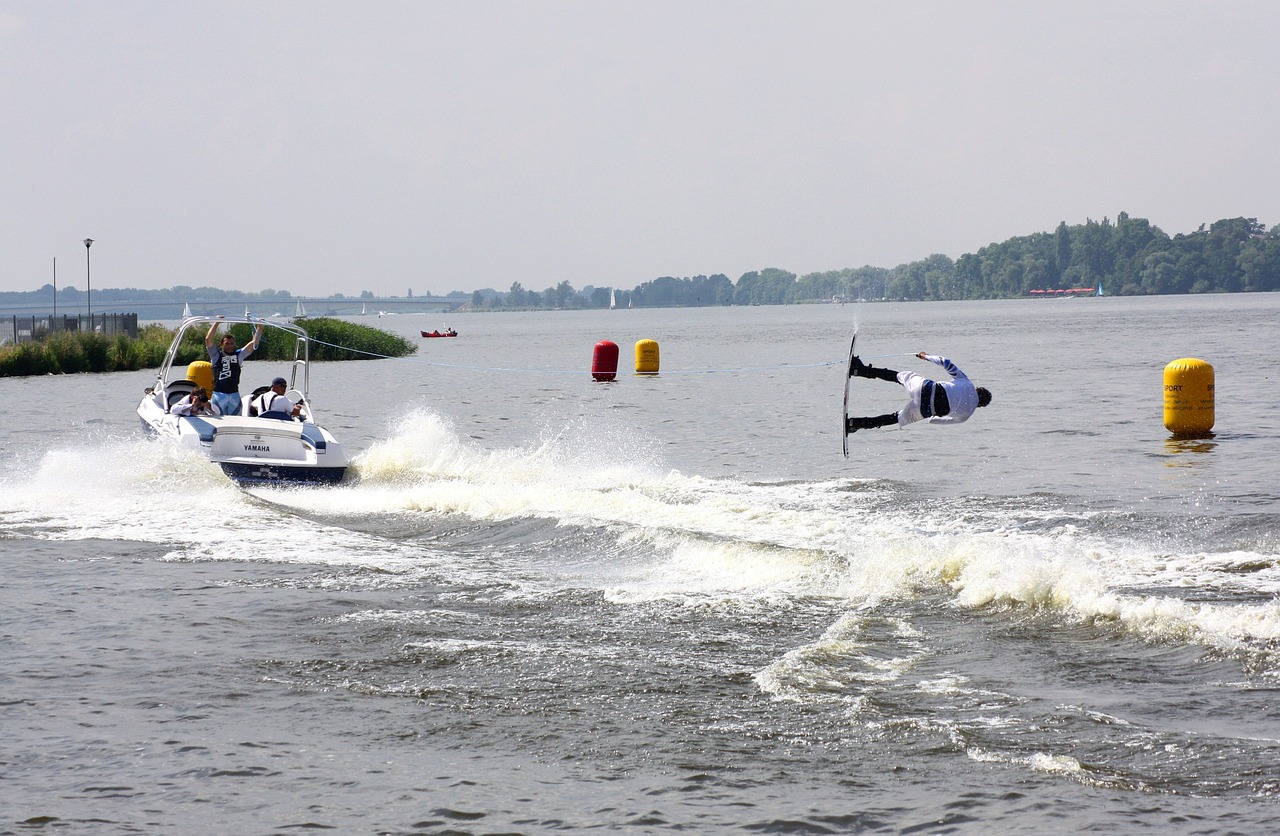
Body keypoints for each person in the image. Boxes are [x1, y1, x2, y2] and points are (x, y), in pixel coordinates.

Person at [846, 352, 991, 432]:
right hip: (927, 410)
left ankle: (859, 370)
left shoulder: (967, 382)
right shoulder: (966, 415)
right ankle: (855, 423)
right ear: (980, 406)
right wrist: (924, 415)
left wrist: (925, 356)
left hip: (926, 388)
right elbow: (934, 421)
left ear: (977, 389)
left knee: (899, 377)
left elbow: (946, 362)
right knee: (896, 418)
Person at [206, 318, 264, 416]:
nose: (230, 346)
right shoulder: (216, 355)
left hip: (234, 394)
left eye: (232, 343)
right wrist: (217, 323)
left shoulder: (239, 355)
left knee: (237, 419)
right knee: (218, 419)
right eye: (227, 343)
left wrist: (260, 327)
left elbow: (254, 342)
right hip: (219, 395)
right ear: (221, 344)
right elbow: (208, 340)